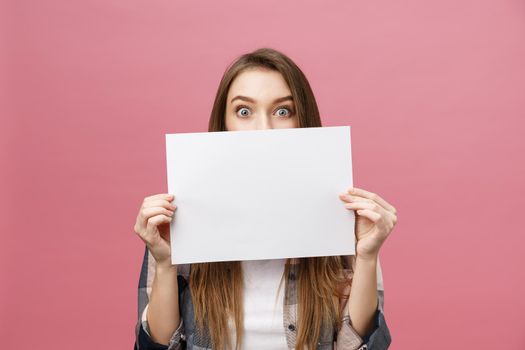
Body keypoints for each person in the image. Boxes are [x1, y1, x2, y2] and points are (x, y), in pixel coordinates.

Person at [133, 47, 397, 350]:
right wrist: (165, 262)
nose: (263, 129)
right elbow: (157, 346)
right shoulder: (178, 221)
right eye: (244, 112)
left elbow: (361, 346)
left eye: (282, 111)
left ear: (303, 121)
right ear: (224, 124)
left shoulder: (344, 219)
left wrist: (366, 257)